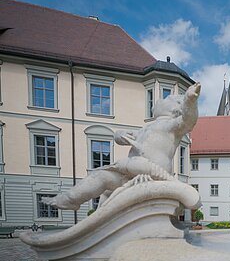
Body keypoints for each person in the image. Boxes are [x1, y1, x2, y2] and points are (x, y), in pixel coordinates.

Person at [43, 83, 201, 210]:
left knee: (114, 169)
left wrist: (189, 101)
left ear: (176, 108)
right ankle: (70, 200)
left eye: (167, 98)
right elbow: (122, 137)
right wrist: (119, 134)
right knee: (101, 177)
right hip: (130, 172)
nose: (160, 100)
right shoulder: (145, 128)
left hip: (152, 170)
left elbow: (188, 120)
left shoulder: (172, 125)